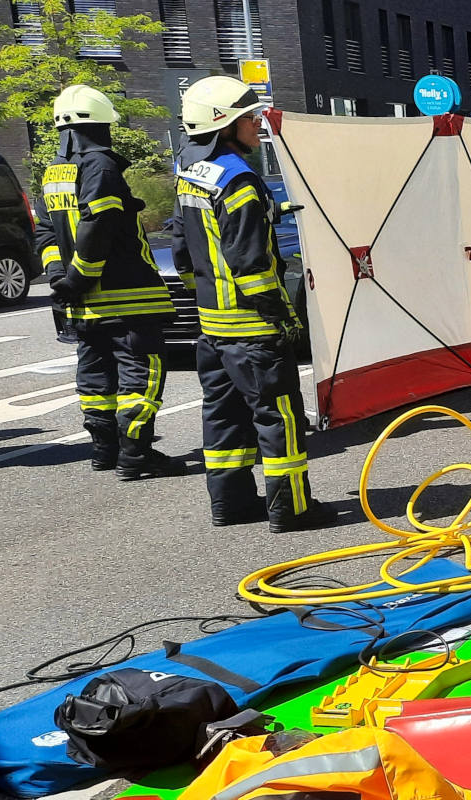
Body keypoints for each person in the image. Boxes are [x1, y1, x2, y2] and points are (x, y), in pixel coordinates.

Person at [172, 75, 334, 532]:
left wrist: (205, 290)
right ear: (226, 125)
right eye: (250, 117)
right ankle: (291, 508)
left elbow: (185, 248)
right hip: (252, 328)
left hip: (213, 327)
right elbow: (251, 264)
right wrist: (281, 315)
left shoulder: (189, 169)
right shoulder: (239, 178)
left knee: (222, 416)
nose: (258, 124)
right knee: (278, 416)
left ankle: (231, 504)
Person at [34, 85, 184, 479]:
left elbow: (47, 232)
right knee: (142, 375)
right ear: (102, 125)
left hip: (84, 306)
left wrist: (59, 276)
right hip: (127, 298)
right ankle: (136, 455)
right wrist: (80, 277)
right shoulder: (101, 166)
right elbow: (97, 225)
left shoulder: (53, 172)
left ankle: (105, 451)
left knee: (97, 379)